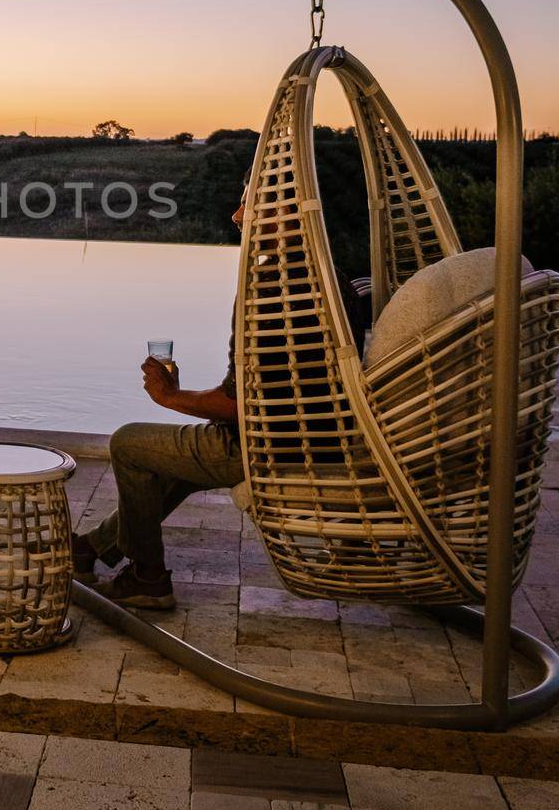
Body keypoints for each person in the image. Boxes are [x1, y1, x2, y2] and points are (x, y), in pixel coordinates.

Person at [73, 190, 368, 611]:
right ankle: (91, 548)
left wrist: (170, 397)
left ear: (283, 211)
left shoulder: (270, 288)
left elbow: (236, 407)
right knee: (176, 459)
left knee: (129, 444)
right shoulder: (330, 275)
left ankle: (147, 577)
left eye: (248, 203)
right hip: (321, 436)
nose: (236, 215)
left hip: (270, 449)